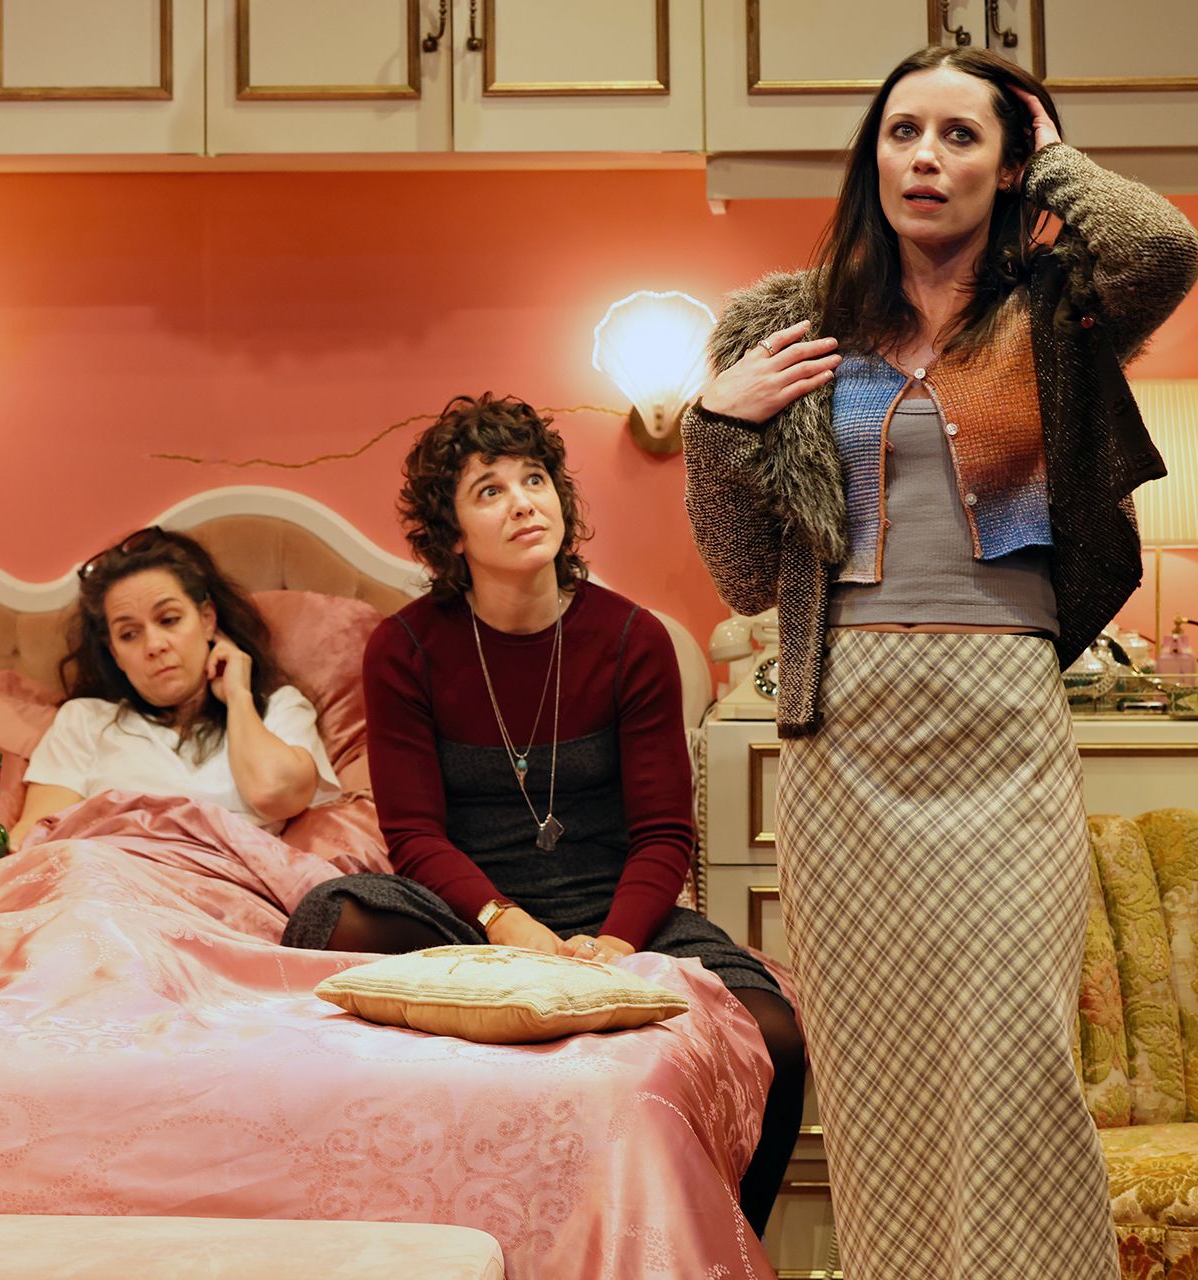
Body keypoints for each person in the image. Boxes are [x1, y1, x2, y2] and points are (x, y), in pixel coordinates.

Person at [681, 46, 1198, 1279]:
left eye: (962, 135)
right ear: (873, 154)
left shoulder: (1063, 309)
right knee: (879, 1078)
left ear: (1009, 164)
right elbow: (744, 576)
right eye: (903, 130)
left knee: (1017, 1065)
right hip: (846, 739)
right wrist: (717, 425)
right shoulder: (788, 324)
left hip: (1001, 723)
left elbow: (1167, 247)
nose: (925, 156)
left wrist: (1055, 151)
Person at [282, 394, 806, 1236]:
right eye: (489, 490)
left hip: (617, 913)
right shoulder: (405, 647)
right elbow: (413, 835)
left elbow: (664, 834)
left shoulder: (632, 638)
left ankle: (732, 1244)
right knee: (331, 919)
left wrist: (615, 947)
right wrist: (508, 926)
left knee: (776, 1031)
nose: (525, 502)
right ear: (452, 536)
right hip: (468, 916)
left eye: (535, 479)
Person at [0, 526, 341, 873]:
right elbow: (36, 837)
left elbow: (275, 794)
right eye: (129, 634)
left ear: (207, 620)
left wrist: (237, 696)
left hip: (220, 897)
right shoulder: (85, 720)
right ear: (114, 652)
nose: (154, 645)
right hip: (100, 891)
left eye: (169, 620)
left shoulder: (278, 710)